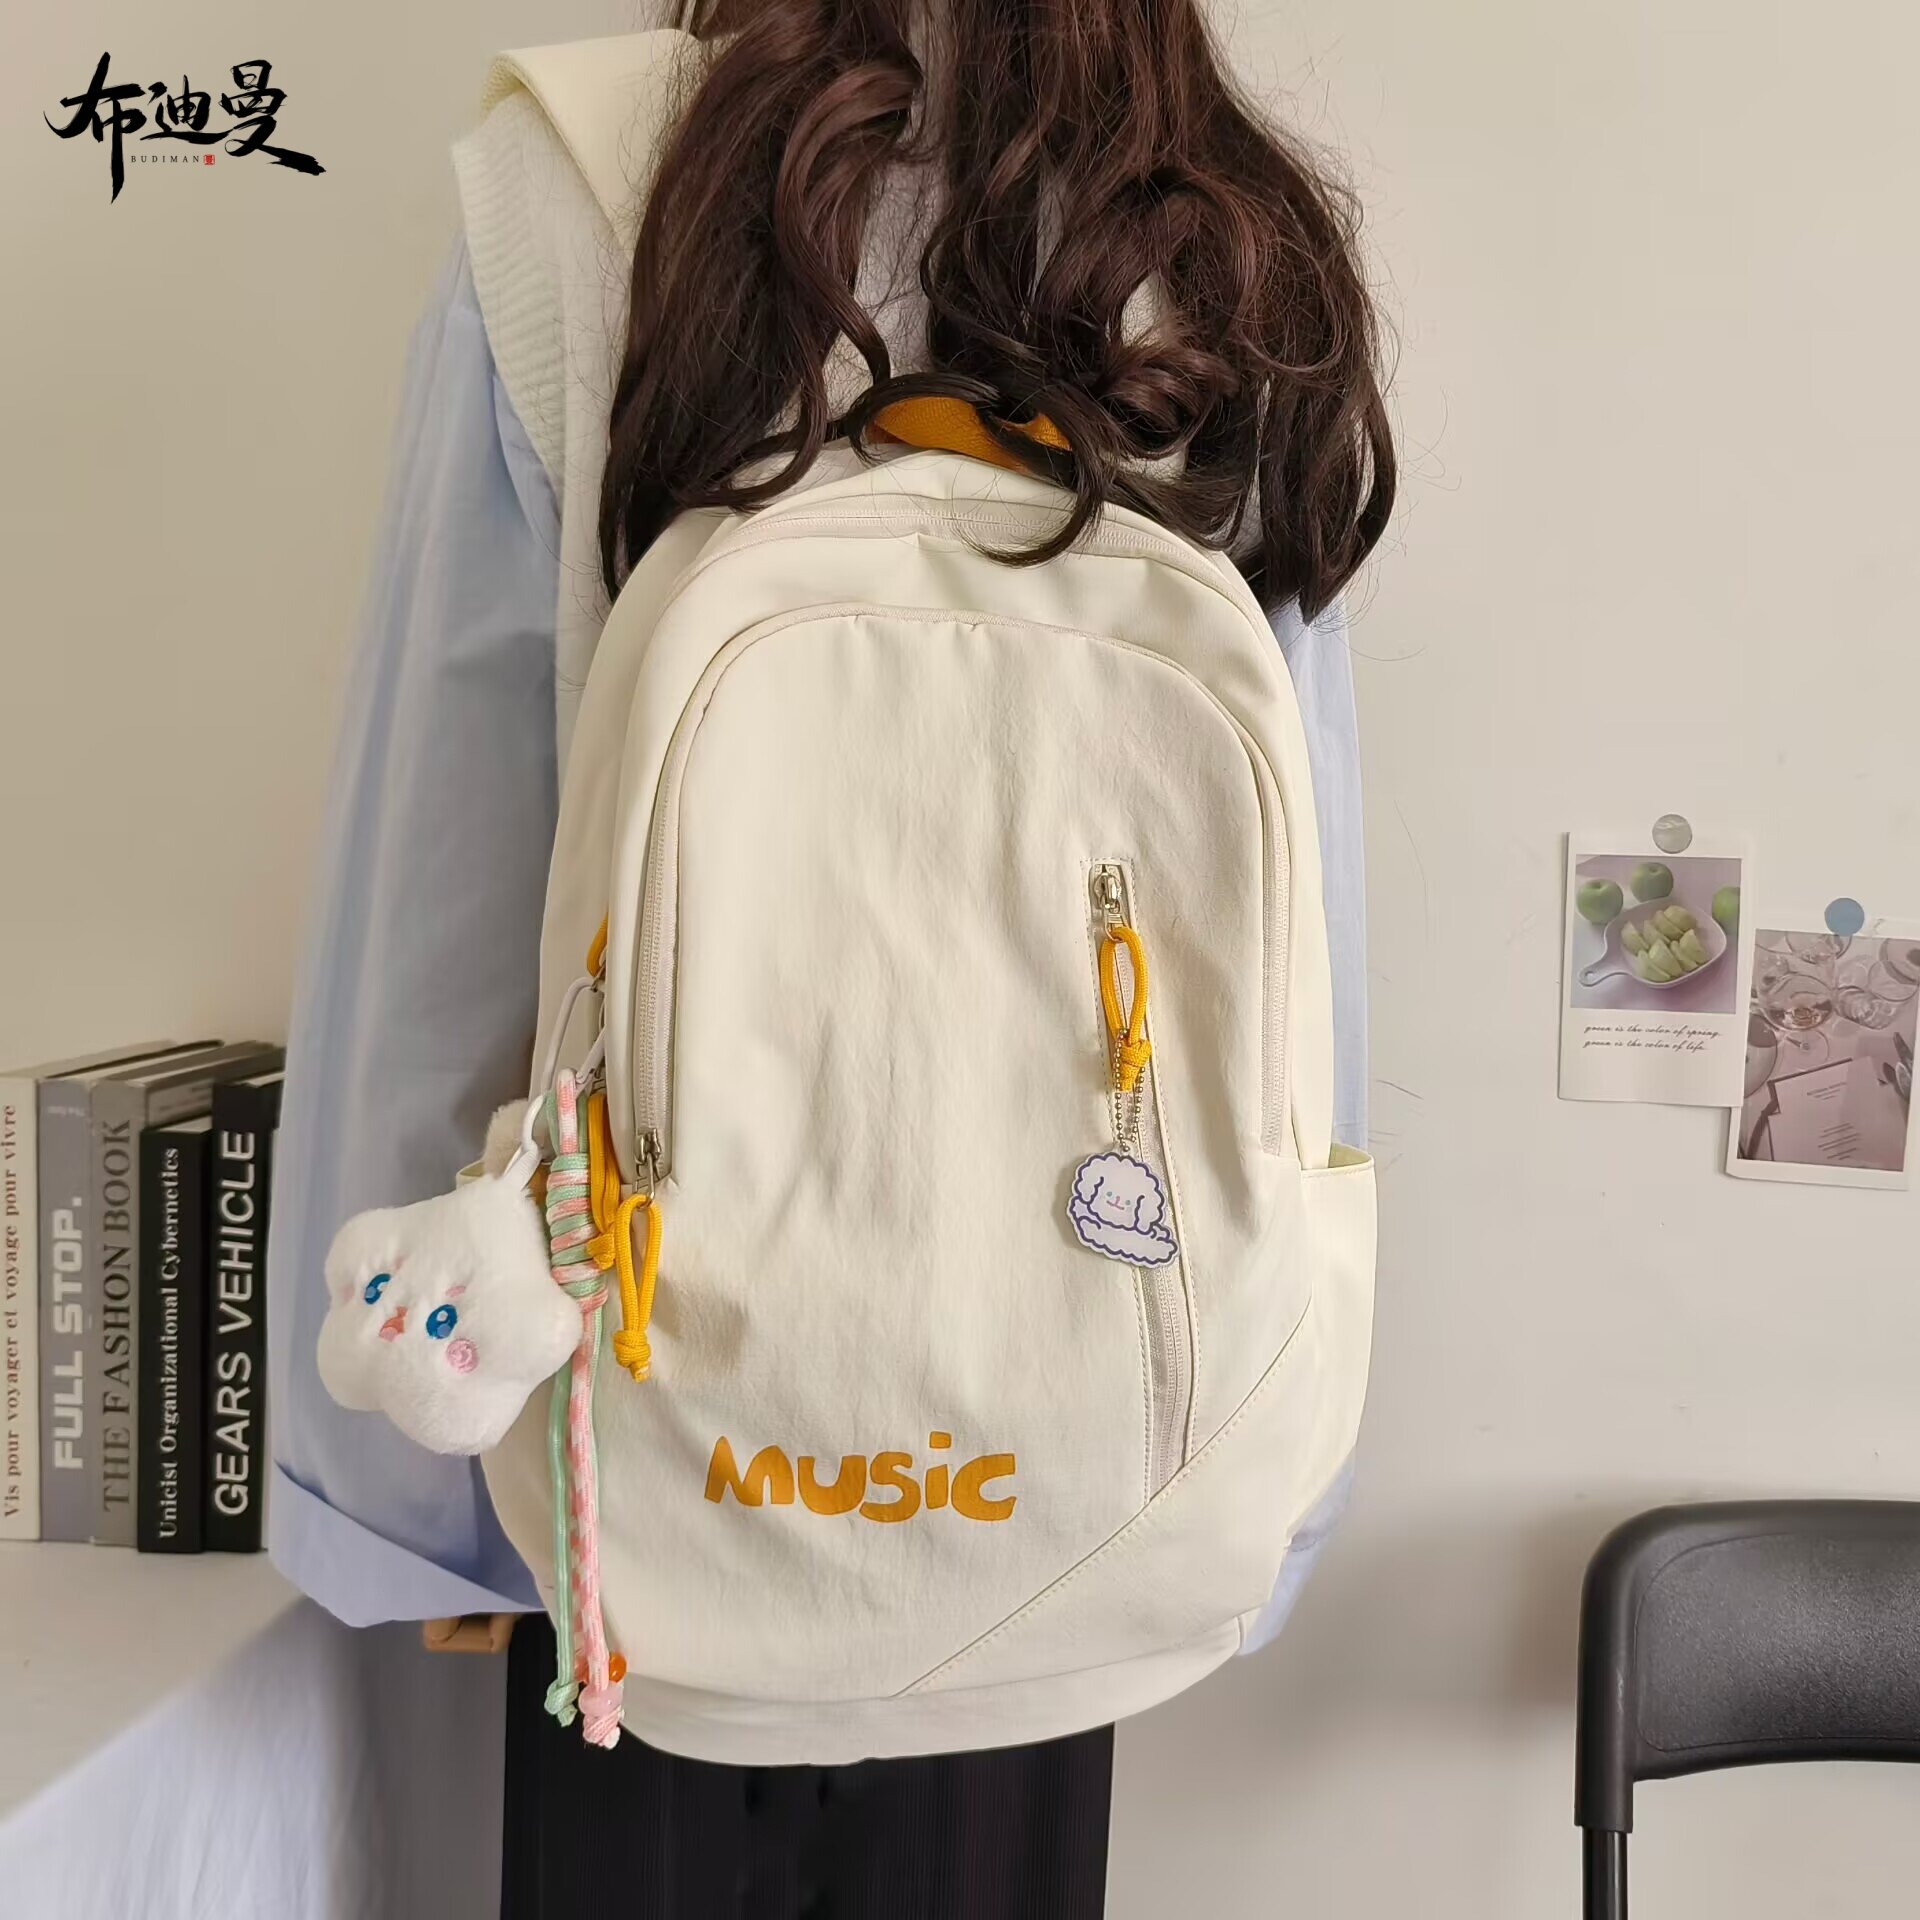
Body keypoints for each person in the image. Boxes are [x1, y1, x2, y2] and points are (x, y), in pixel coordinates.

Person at [266, 3, 1393, 1913]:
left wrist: (402, 1494)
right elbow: (1294, 946)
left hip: (646, 1432)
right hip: (1082, 1456)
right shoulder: (1215, 233)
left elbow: (450, 876)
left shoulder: (575, 176)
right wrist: (1270, 1475)